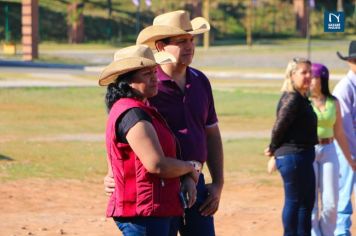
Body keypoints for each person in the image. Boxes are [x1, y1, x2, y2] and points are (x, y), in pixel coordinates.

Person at [105, 10, 224, 236]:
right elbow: (123, 130)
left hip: (196, 180)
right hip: (160, 187)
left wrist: (217, 183)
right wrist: (112, 172)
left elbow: (212, 133)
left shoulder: (200, 80)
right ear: (160, 46)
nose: (189, 46)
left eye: (191, 40)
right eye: (181, 41)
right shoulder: (145, 85)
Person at [99, 44, 200, 236]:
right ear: (128, 81)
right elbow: (157, 165)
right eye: (147, 74)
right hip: (143, 212)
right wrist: (189, 167)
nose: (155, 78)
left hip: (153, 209)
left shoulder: (139, 109)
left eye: (155, 72)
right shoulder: (133, 113)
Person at [264, 58, 318, 235]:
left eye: (310, 72)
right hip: (293, 157)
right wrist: (272, 148)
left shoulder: (301, 98)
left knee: (306, 202)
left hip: (302, 156)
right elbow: (279, 125)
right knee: (295, 202)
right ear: (292, 75)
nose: (309, 76)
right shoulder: (292, 98)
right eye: (304, 72)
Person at [309, 63, 356, 236]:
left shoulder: (337, 98)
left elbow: (341, 130)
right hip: (319, 150)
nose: (311, 81)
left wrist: (351, 156)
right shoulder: (305, 102)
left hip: (336, 149)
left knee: (332, 202)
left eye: (315, 77)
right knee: (318, 202)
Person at [333, 41, 356, 236]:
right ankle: (341, 232)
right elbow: (345, 126)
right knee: (344, 194)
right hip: (347, 150)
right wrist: (352, 155)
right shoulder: (344, 88)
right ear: (349, 62)